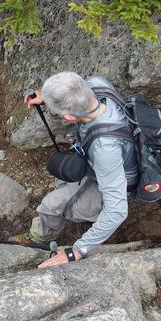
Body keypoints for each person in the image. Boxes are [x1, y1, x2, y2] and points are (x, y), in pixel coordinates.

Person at [23, 72, 138, 268]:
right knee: (63, 178)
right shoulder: (96, 84)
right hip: (105, 163)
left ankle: (37, 239)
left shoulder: (105, 149)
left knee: (51, 205)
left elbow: (117, 210)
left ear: (68, 116)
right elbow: (69, 86)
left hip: (108, 180)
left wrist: (77, 250)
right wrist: (47, 95)